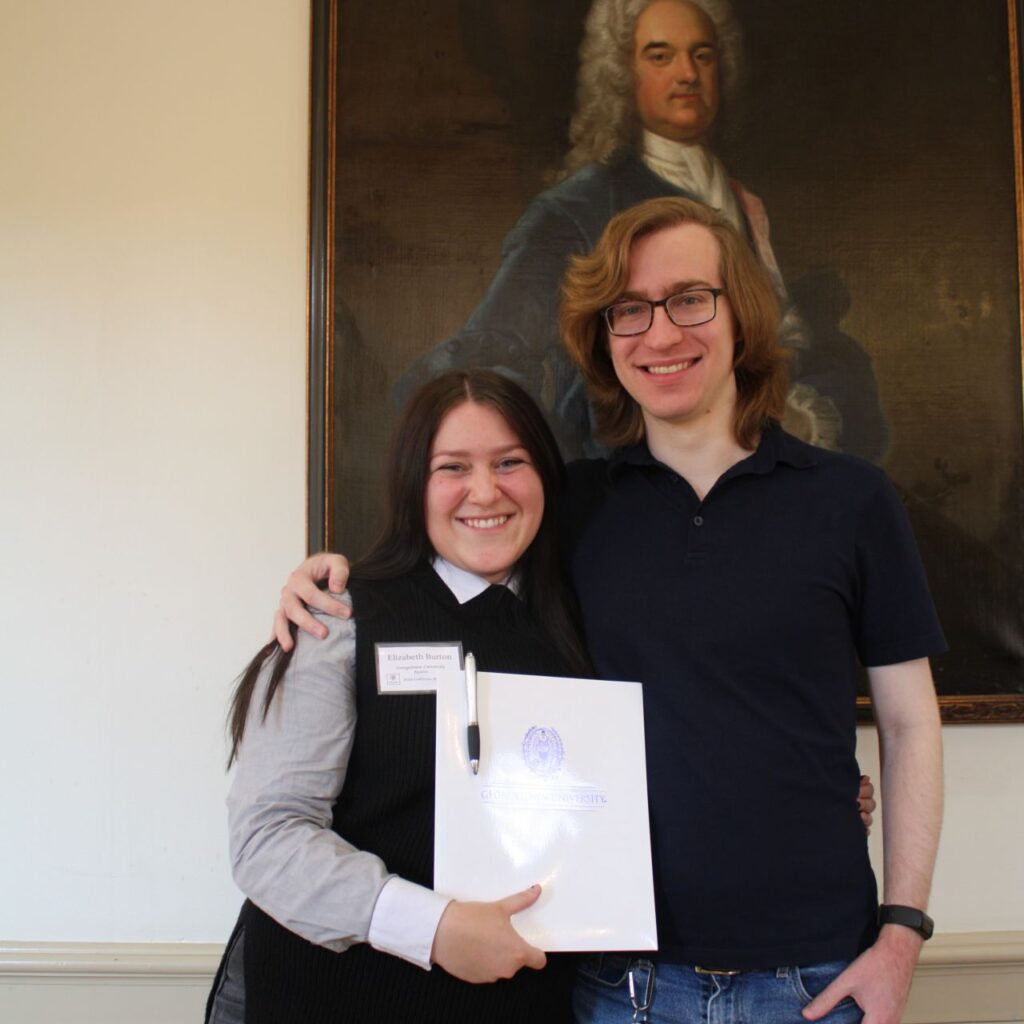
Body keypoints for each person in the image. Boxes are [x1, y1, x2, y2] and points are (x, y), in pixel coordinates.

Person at [277, 197, 920, 1024]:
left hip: (818, 976)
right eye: (629, 310)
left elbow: (907, 726)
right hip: (616, 983)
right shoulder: (570, 509)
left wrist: (902, 936)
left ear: (743, 315)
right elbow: (448, 569)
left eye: (690, 298)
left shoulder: (853, 500)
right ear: (604, 338)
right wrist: (329, 581)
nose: (660, 333)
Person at [206, 370, 590, 1024]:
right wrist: (433, 928)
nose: (485, 490)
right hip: (340, 1000)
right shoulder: (339, 619)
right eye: (453, 467)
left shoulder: (584, 623)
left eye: (510, 462)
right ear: (414, 483)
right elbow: (268, 837)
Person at [393, 0, 884, 460]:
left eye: (702, 55)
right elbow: (488, 357)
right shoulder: (576, 210)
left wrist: (795, 412)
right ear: (622, 73)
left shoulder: (744, 201)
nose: (688, 74)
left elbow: (789, 350)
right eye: (660, 56)